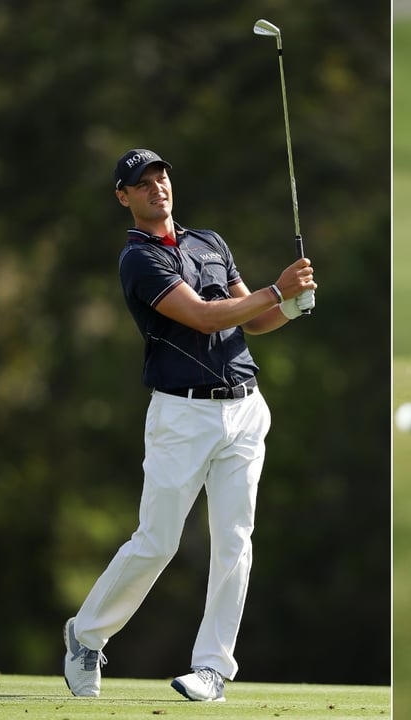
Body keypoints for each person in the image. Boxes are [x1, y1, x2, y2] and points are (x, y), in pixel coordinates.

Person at [63, 148, 318, 702]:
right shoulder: (139, 259)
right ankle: (85, 636)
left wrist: (292, 303)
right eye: (143, 183)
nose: (157, 188)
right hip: (183, 415)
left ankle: (213, 670)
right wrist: (277, 290)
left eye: (162, 178)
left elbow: (253, 314)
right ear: (123, 197)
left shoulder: (211, 242)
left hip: (246, 410)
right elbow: (202, 316)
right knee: (157, 542)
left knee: (235, 541)